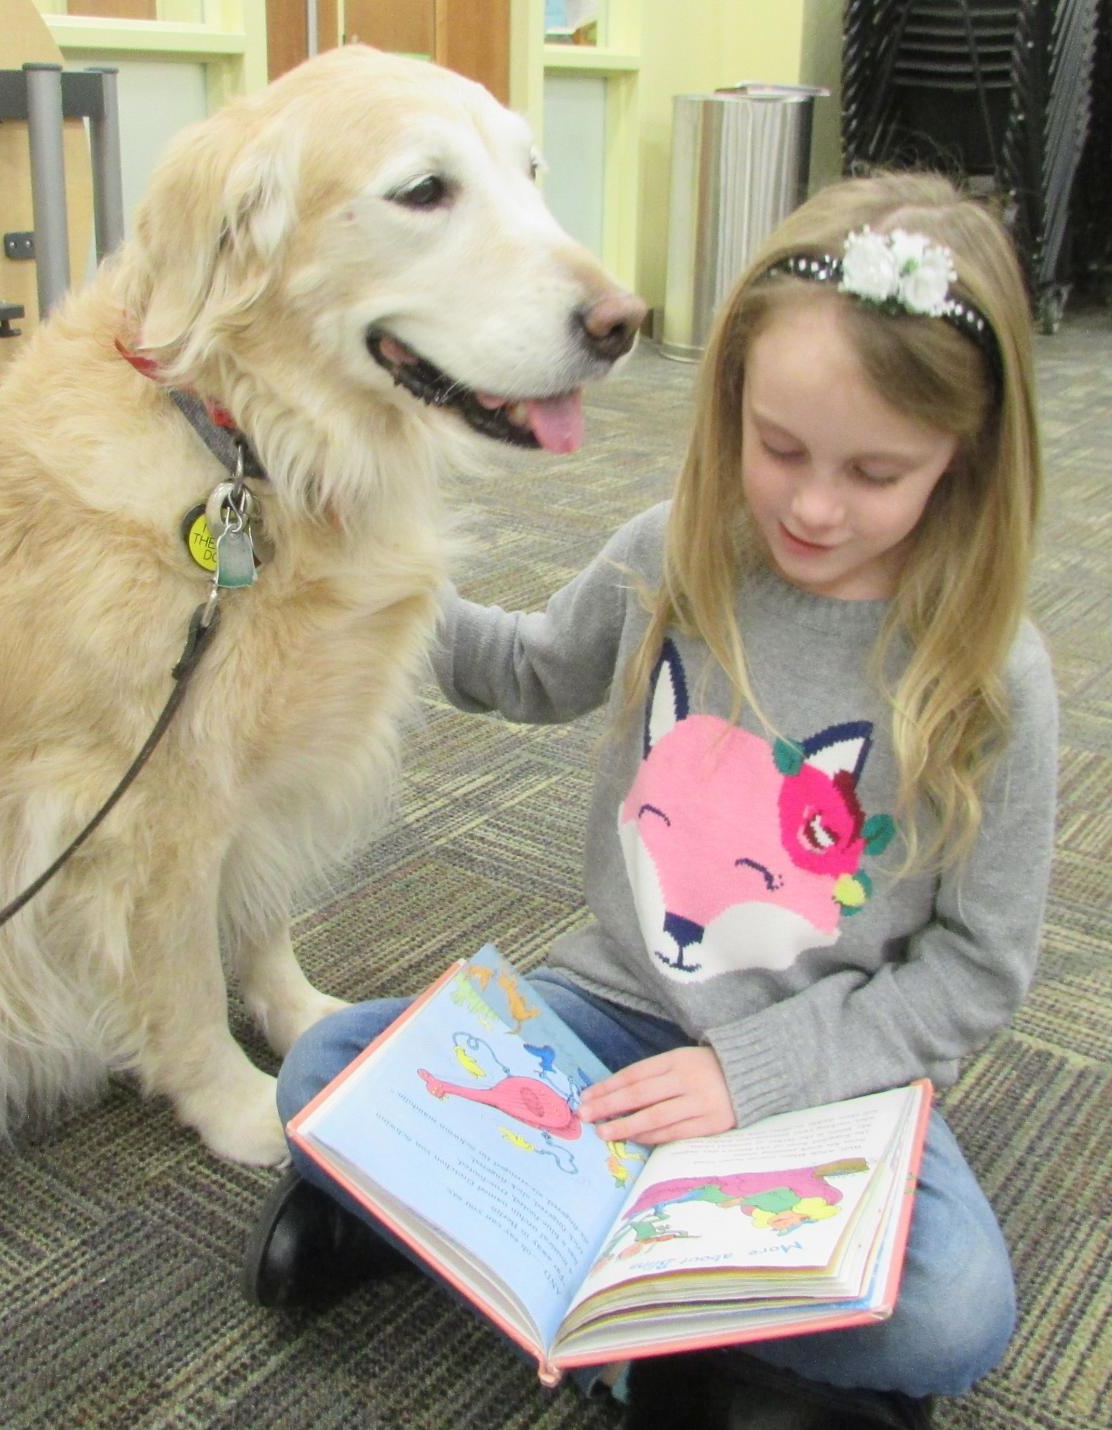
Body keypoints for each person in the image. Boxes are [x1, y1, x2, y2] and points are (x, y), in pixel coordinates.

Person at [241, 171, 1057, 1430]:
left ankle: (601, 1305)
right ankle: (708, 1327)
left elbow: (979, 970)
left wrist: (756, 1074)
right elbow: (522, 667)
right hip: (604, 1020)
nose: (813, 504)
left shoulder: (990, 671)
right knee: (323, 1071)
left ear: (967, 455)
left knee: (956, 1309)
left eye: (876, 471)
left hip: (822, 1083)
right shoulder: (672, 549)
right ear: (728, 401)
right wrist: (369, 556)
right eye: (777, 447)